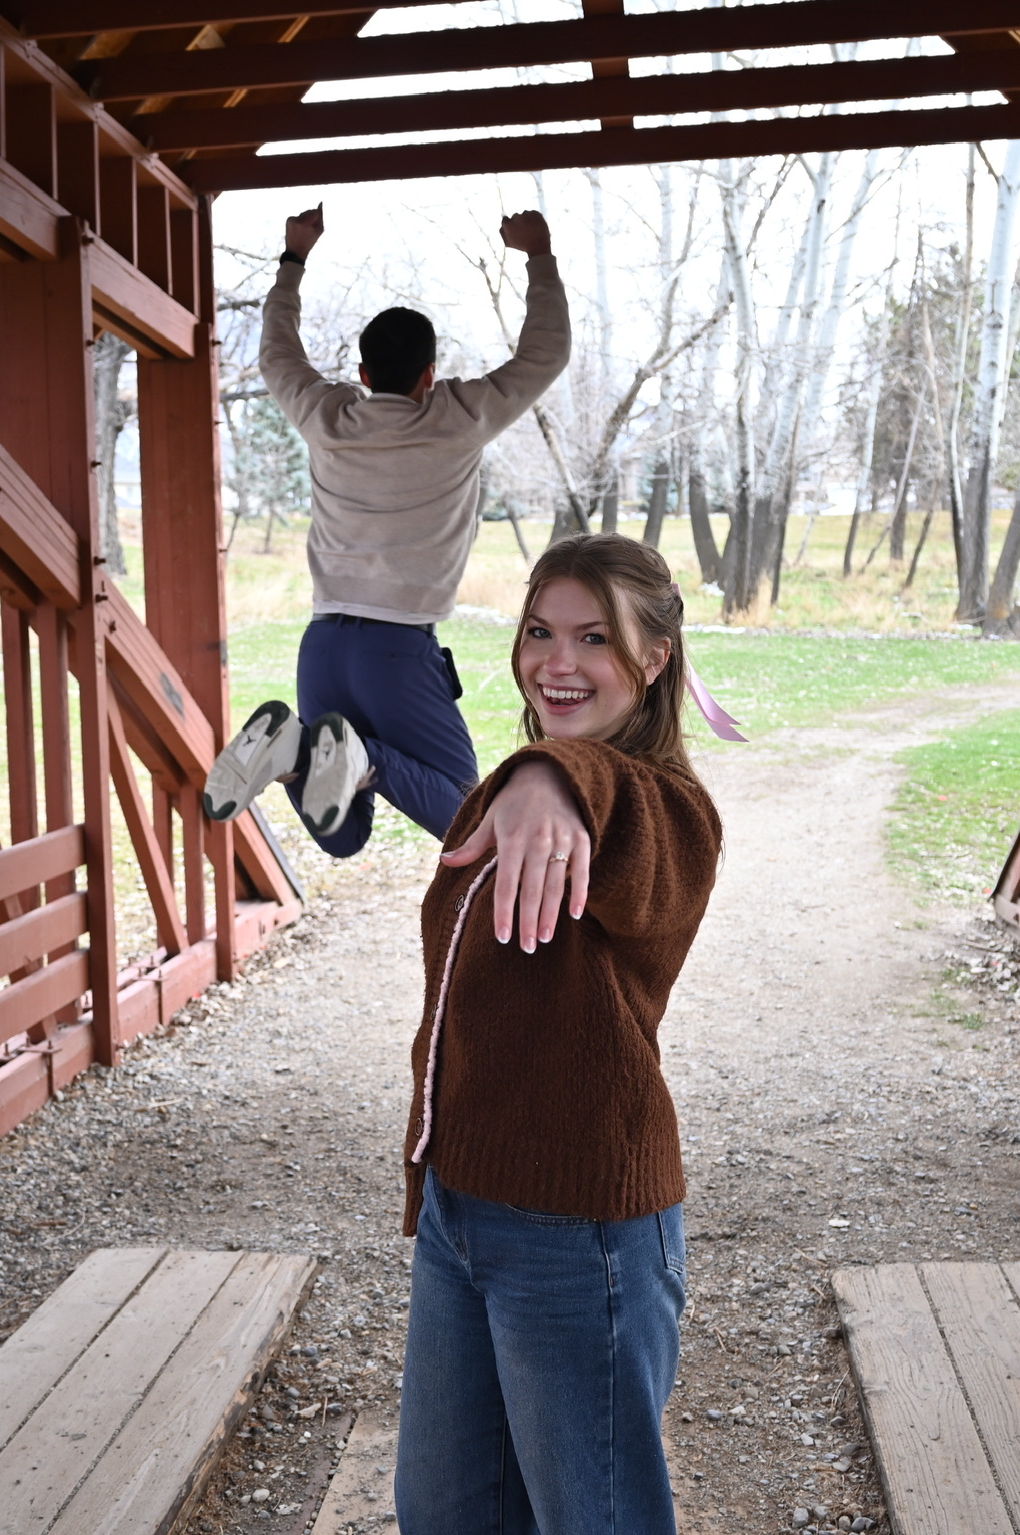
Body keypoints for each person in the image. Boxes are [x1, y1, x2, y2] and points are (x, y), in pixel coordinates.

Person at [394, 534, 723, 1535]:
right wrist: (526, 773)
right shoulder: (517, 787)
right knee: (445, 1515)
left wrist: (552, 771)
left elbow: (615, 803)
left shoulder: (665, 813)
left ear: (654, 657)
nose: (555, 661)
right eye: (539, 630)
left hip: (579, 1236)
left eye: (593, 637)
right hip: (461, 1211)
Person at [199, 202, 572, 856]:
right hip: (398, 653)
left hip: (321, 647)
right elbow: (545, 355)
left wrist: (293, 261)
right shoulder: (457, 417)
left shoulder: (327, 415)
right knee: (470, 818)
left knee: (344, 835)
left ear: (364, 375)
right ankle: (363, 758)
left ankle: (291, 752)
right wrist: (538, 256)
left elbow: (277, 354)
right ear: (429, 376)